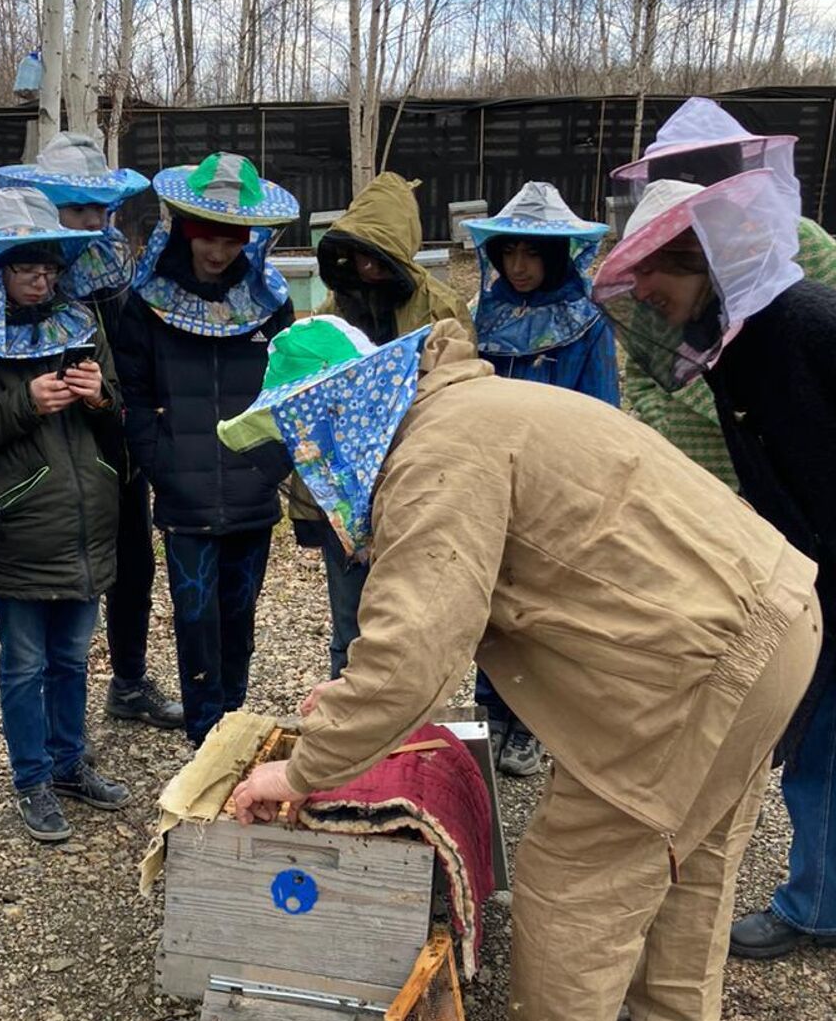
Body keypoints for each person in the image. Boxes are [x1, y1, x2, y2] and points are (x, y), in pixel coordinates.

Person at [231, 323, 819, 1021]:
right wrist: (358, 696)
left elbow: (411, 651)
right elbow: (444, 626)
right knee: (695, 845)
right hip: (778, 618)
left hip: (695, 667)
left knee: (573, 875)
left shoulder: (437, 454)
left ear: (338, 414)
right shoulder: (473, 410)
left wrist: (299, 772)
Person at [595, 167, 836, 963]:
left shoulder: (796, 325)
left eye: (652, 271)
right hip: (812, 562)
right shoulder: (734, 340)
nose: (645, 292)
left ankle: (815, 907)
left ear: (698, 257)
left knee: (820, 742)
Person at [0, 188, 130, 843]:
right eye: (26, 268)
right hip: (19, 527)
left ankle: (71, 763)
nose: (41, 279)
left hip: (85, 523)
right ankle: (31, 778)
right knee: (24, 664)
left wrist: (101, 398)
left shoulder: (79, 321)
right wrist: (23, 403)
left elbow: (122, 410)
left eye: (49, 267)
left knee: (73, 657)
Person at [0, 136, 183, 732]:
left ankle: (128, 681)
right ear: (52, 209)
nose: (95, 223)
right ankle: (53, 728)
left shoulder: (117, 262)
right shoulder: (26, 276)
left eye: (102, 211)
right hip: (53, 447)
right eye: (80, 212)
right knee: (64, 576)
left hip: (117, 427)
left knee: (133, 562)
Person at [111, 153, 298, 747]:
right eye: (207, 236)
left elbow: (290, 387)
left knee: (239, 621)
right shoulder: (145, 304)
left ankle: (234, 732)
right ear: (185, 228)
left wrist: (271, 464)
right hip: (185, 496)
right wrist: (163, 466)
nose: (217, 252)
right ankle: (203, 740)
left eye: (231, 238)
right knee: (195, 622)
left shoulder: (271, 302)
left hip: (252, 490)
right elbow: (134, 401)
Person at [462, 183, 619, 778]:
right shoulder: (488, 316)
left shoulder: (586, 323)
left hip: (554, 487)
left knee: (544, 605)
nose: (519, 267)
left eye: (532, 254)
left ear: (556, 255)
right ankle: (491, 708)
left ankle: (531, 722)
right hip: (491, 478)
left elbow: (601, 413)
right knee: (491, 597)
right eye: (510, 254)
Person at [298, 171, 473, 677]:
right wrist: (312, 505)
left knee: (410, 620)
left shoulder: (440, 308)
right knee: (350, 625)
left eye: (378, 255)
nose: (367, 267)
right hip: (347, 491)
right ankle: (347, 739)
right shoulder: (333, 310)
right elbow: (311, 406)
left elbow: (463, 402)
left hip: (418, 484)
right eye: (359, 254)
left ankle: (407, 739)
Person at [612, 98, 836, 490]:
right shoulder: (662, 265)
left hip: (785, 466)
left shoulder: (800, 247)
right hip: (693, 468)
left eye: (705, 172)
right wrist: (663, 422)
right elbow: (644, 367)